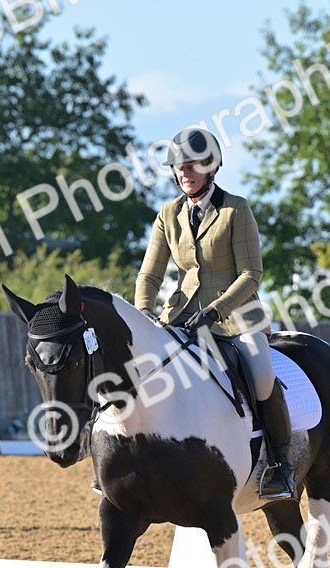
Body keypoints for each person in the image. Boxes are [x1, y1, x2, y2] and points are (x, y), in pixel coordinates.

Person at [134, 127, 295, 500]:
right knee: (140, 371)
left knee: (261, 377)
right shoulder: (167, 214)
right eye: (179, 167)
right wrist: (143, 311)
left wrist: (216, 310)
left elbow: (251, 274)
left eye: (192, 166)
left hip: (237, 317)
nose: (184, 173)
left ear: (212, 166)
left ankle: (281, 464)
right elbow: (149, 275)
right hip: (181, 315)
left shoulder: (235, 209)